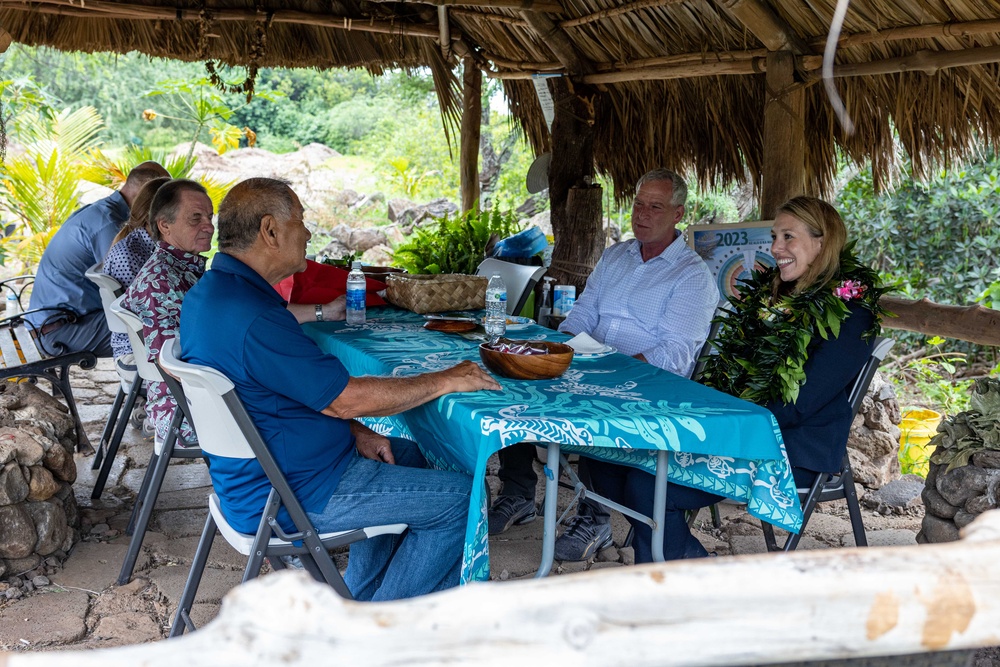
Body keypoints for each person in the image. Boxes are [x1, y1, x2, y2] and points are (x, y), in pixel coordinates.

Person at [179, 177, 501, 601]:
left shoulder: (215, 293)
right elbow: (345, 400)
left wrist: (355, 432)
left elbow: (273, 396)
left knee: (412, 454)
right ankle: (375, 632)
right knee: (463, 499)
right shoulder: (252, 316)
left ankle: (361, 595)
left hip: (269, 471)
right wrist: (444, 379)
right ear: (270, 231)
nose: (308, 233)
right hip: (290, 491)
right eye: (300, 220)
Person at [588, 196, 887, 563]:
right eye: (775, 237)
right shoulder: (775, 298)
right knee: (605, 461)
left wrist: (719, 424)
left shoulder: (849, 313)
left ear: (822, 243)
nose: (776, 248)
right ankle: (693, 570)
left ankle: (673, 583)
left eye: (788, 237)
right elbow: (734, 374)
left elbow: (797, 404)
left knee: (648, 486)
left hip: (785, 444)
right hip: (736, 426)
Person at [488, 168, 719, 563]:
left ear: (679, 213)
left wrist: (612, 369)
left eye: (656, 207)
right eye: (639, 204)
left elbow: (676, 356)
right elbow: (581, 317)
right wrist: (560, 353)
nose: (642, 214)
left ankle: (594, 517)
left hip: (643, 384)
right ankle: (518, 492)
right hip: (591, 366)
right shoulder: (616, 256)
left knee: (590, 398)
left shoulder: (692, 277)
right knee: (516, 380)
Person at [26, 161, 170, 357]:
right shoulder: (110, 226)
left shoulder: (102, 212)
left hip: (57, 322)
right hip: (59, 332)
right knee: (167, 332)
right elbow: (136, 293)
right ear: (147, 195)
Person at [122, 179, 215, 446]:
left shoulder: (180, 268)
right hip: (184, 413)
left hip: (194, 401)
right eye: (196, 218)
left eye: (209, 217)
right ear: (165, 225)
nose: (209, 226)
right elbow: (172, 364)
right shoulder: (161, 282)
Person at [104, 175, 170, 392]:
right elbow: (150, 318)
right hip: (135, 353)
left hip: (145, 345)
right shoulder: (131, 254)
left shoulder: (149, 246)